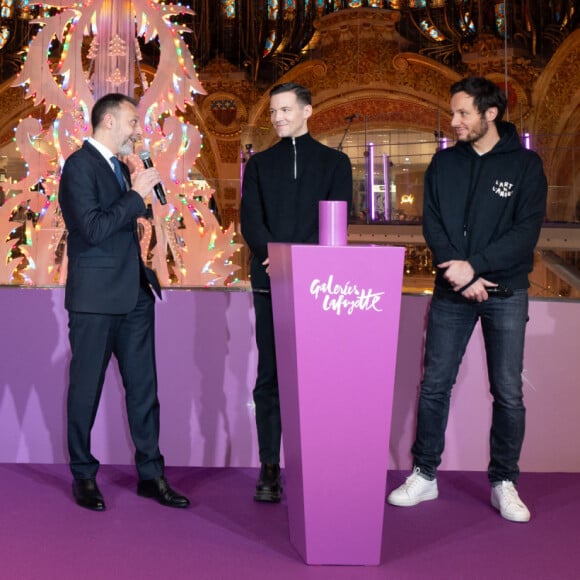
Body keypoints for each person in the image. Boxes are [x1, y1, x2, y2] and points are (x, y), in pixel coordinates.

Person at [387, 77, 547, 522]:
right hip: (452, 294)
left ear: (490, 114)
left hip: (506, 293)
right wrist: (460, 275)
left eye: (462, 113)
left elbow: (524, 236)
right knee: (435, 385)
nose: (453, 121)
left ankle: (503, 481)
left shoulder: (527, 167)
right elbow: (433, 226)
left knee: (509, 392)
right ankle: (424, 474)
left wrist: (473, 266)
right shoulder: (442, 165)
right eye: (453, 113)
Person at [58, 93, 189, 511]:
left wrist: (137, 197)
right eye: (133, 122)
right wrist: (134, 195)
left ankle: (151, 474)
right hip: (95, 301)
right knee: (86, 391)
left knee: (144, 391)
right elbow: (94, 228)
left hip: (134, 296)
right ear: (110, 121)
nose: (138, 131)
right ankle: (83, 474)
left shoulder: (119, 167)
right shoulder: (79, 167)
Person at [240, 82, 353, 502]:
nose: (278, 118)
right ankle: (270, 467)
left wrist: (302, 261)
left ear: (308, 111)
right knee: (269, 374)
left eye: (286, 110)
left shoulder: (335, 163)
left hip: (319, 283)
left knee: (317, 376)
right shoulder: (258, 165)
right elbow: (251, 220)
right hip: (269, 282)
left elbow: (338, 218)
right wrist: (274, 256)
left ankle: (317, 463)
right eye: (273, 112)